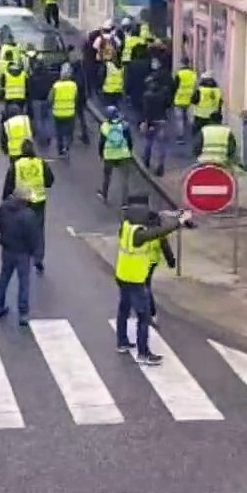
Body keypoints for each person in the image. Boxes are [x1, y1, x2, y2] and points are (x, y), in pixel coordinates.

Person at [114, 199, 191, 364]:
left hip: (122, 276)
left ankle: (122, 342)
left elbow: (154, 222)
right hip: (136, 279)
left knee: (123, 310)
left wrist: (170, 215)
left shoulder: (125, 227)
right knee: (144, 316)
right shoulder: (139, 235)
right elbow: (159, 232)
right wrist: (179, 222)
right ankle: (143, 353)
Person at [1, 138, 54, 270]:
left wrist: (5, 199)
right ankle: (38, 257)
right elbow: (50, 181)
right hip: (39, 201)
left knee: (21, 228)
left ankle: (25, 254)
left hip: (22, 202)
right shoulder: (40, 163)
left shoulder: (17, 165)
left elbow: (9, 184)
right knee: (38, 230)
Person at [123, 194, 176, 324]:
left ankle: (150, 313)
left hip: (145, 260)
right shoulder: (153, 220)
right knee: (144, 286)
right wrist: (171, 260)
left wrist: (170, 260)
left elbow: (163, 242)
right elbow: (164, 243)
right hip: (148, 260)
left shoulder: (135, 221)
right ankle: (148, 312)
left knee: (144, 287)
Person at [0, 185, 43, 324]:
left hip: (7, 249)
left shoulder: (4, 208)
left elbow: (0, 223)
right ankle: (23, 313)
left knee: (4, 277)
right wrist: (34, 251)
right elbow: (33, 236)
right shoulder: (28, 215)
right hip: (23, 252)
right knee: (23, 282)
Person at [98, 106, 134, 206]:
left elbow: (101, 143)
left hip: (109, 156)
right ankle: (125, 203)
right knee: (124, 180)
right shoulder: (124, 125)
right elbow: (129, 140)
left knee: (107, 177)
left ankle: (104, 195)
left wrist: (101, 154)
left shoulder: (104, 126)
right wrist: (130, 151)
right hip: (124, 155)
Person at [140, 74, 171, 177]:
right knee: (161, 146)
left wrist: (146, 122)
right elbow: (168, 105)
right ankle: (160, 166)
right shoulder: (163, 94)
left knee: (149, 141)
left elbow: (146, 111)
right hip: (162, 121)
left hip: (151, 121)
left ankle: (146, 160)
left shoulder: (147, 96)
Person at [27, 56, 56, 152]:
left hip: (36, 100)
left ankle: (42, 138)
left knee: (39, 120)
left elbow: (29, 90)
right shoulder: (49, 76)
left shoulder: (33, 77)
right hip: (47, 99)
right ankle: (47, 136)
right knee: (47, 119)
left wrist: (29, 101)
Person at [50, 64, 79, 157]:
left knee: (59, 133)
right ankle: (67, 147)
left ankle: (60, 150)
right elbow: (76, 98)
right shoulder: (73, 85)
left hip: (58, 113)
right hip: (70, 112)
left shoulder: (56, 85)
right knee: (68, 132)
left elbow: (50, 99)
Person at [171, 57, 198, 143]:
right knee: (190, 118)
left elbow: (174, 87)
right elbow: (195, 86)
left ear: (182, 63)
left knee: (179, 119)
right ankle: (193, 135)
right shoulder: (193, 74)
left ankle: (180, 137)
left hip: (179, 99)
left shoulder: (179, 74)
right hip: (190, 99)